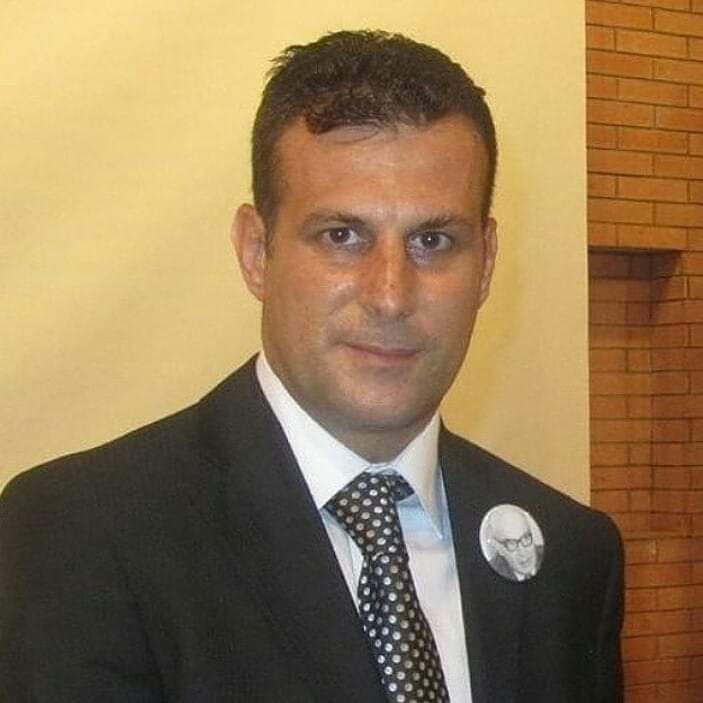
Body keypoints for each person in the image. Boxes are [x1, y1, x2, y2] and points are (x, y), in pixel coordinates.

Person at [0, 30, 623, 703]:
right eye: (342, 236)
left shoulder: (569, 554)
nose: (390, 295)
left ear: (487, 263)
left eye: (433, 240)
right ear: (255, 252)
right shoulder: (81, 536)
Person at [485, 505, 544, 582]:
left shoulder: (548, 553)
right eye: (511, 543)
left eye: (526, 537)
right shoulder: (489, 575)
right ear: (499, 548)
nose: (522, 552)